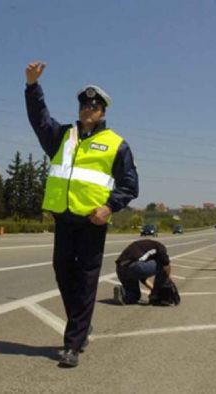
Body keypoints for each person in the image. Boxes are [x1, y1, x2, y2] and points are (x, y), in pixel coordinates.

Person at [25, 61, 139, 368]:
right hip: (64, 219)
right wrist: (33, 87)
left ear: (103, 111)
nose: (87, 109)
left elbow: (130, 185)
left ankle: (72, 345)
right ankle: (82, 323)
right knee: (64, 274)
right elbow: (39, 120)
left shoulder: (116, 144)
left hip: (92, 221)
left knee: (87, 281)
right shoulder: (63, 136)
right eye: (83, 105)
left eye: (93, 105)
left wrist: (109, 207)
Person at [113, 239, 180, 306]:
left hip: (120, 269)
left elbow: (142, 277)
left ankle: (123, 294)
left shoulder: (145, 248)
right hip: (134, 266)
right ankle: (160, 297)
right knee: (162, 266)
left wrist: (153, 290)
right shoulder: (160, 247)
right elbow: (166, 264)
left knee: (135, 296)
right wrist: (168, 280)